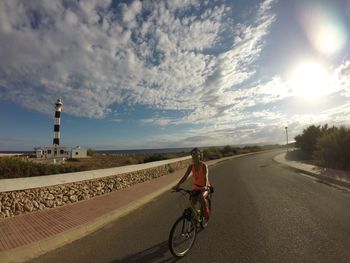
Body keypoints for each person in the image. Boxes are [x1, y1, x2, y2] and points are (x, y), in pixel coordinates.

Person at [173, 147, 211, 219]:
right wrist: (178, 185)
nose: (195, 156)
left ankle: (206, 209)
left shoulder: (203, 166)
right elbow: (185, 177)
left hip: (205, 187)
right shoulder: (191, 166)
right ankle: (196, 218)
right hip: (196, 187)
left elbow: (206, 177)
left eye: (197, 154)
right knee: (192, 204)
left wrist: (205, 186)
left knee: (200, 197)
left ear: (200, 156)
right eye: (193, 154)